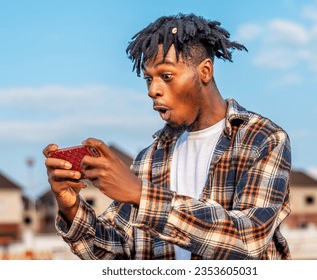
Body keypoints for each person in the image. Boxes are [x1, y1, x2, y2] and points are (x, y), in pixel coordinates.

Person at [43, 13, 292, 260]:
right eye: (148, 79)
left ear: (204, 71)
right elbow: (114, 253)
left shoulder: (262, 139)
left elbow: (249, 239)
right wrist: (71, 208)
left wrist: (141, 195)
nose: (153, 90)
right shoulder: (149, 158)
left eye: (166, 76)